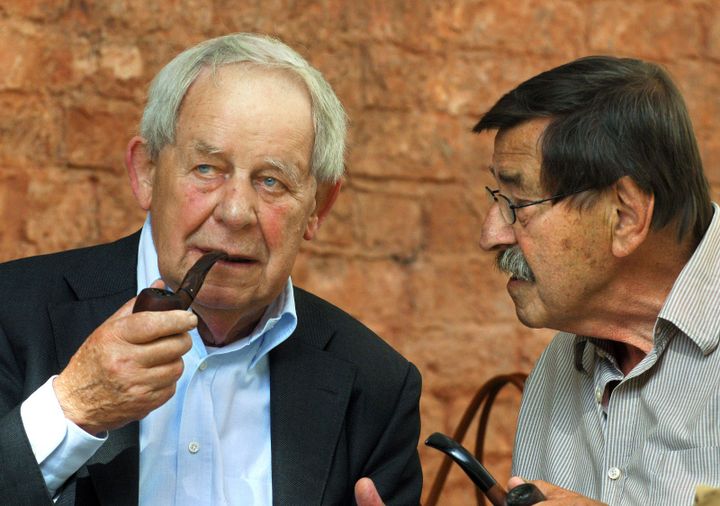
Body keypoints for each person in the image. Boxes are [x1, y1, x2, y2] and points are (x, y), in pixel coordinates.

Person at [0, 33, 422, 505]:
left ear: (318, 207)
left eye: (271, 181)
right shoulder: (12, 315)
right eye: (207, 168)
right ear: (146, 172)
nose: (236, 212)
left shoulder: (377, 386)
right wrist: (74, 406)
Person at [356, 56, 720, 506]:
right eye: (497, 199)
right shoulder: (561, 362)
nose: (490, 235)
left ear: (624, 216)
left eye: (520, 202)